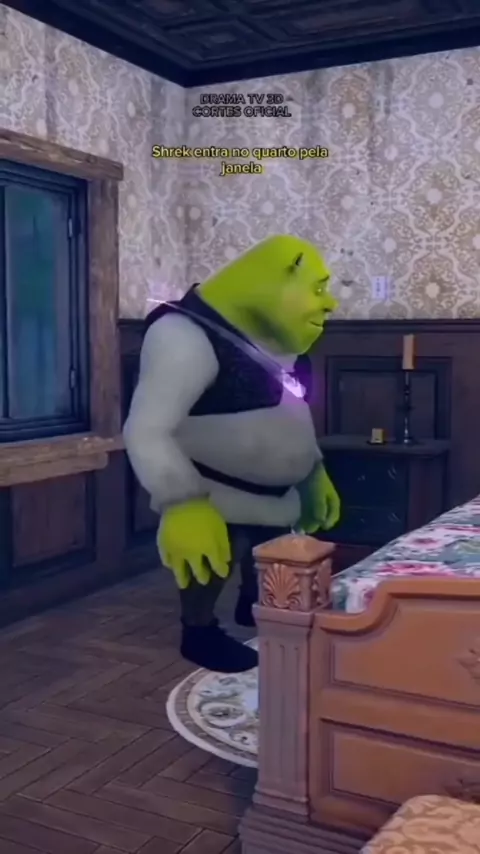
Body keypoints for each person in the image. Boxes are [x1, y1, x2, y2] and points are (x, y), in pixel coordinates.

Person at [123, 235, 341, 673]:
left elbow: (295, 413)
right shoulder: (183, 336)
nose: (330, 303)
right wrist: (181, 502)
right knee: (215, 560)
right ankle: (199, 631)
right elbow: (146, 429)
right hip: (215, 490)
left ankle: (253, 605)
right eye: (317, 287)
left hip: (277, 499)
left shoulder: (275, 339)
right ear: (280, 277)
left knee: (268, 556)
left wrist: (312, 472)